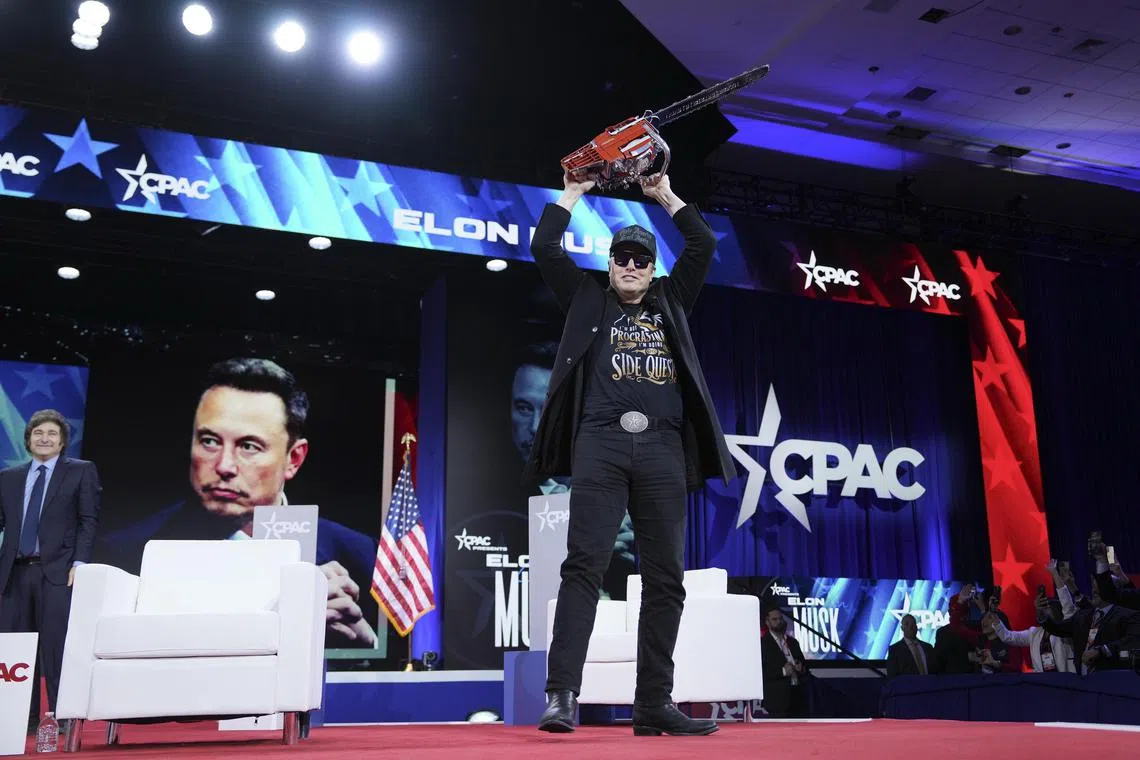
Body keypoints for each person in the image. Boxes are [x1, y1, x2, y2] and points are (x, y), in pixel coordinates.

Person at [526, 170, 735, 736]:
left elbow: (704, 243)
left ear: (652, 267)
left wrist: (664, 192)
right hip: (602, 440)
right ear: (612, 261)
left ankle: (653, 704)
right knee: (584, 566)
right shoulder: (586, 296)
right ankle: (561, 697)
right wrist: (573, 191)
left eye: (641, 259)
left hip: (664, 448)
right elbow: (544, 245)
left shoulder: (672, 298)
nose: (631, 266)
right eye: (623, 257)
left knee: (667, 577)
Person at [98, 358, 380, 648]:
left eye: (248, 446)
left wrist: (365, 640)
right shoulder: (127, 555)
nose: (224, 466)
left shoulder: (360, 556)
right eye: (209, 441)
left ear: (293, 459)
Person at [0, 409, 101, 728]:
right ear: (28, 439)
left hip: (57, 571)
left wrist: (79, 562)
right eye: (38, 433)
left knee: (56, 646)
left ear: (62, 442)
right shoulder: (9, 477)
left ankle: (63, 713)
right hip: (14, 573)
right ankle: (22, 716)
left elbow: (88, 520)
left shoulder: (81, 471)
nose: (44, 438)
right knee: (17, 646)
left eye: (52, 434)